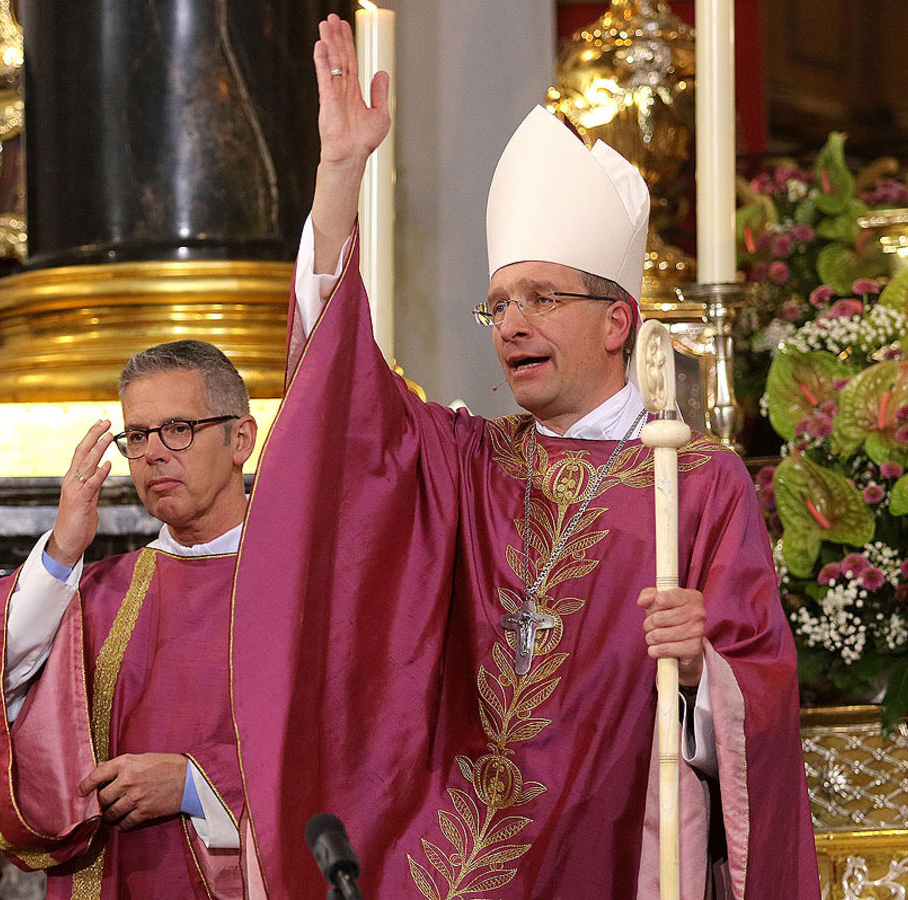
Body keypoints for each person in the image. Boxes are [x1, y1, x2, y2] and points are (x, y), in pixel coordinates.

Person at [227, 14, 819, 899]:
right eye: (498, 304)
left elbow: (762, 704)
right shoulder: (466, 464)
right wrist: (340, 174)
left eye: (541, 297)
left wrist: (704, 669)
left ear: (618, 320)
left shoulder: (694, 481)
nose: (511, 323)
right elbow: (339, 407)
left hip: (617, 854)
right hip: (456, 859)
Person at [0, 340, 264, 898]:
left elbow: (349, 748)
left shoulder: (300, 585)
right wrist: (62, 549)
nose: (154, 453)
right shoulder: (102, 593)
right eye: (136, 436)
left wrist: (196, 785)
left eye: (178, 428)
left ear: (241, 439)